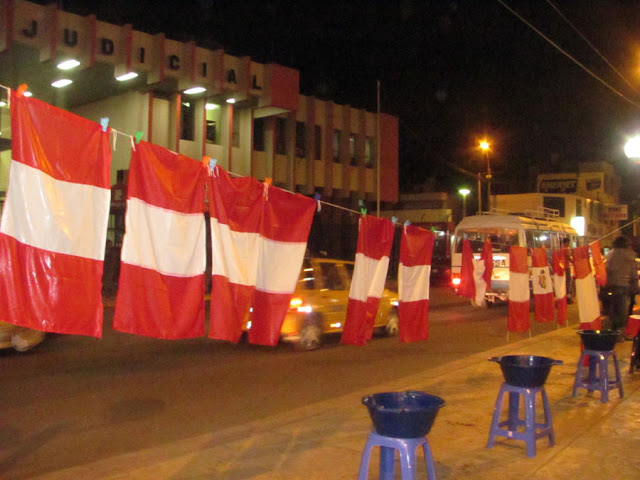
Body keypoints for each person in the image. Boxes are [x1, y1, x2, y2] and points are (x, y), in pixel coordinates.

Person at [605, 236, 638, 340]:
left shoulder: (610, 253)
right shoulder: (629, 254)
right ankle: (620, 334)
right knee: (623, 311)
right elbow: (633, 273)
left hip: (611, 286)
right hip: (624, 286)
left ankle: (613, 334)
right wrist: (635, 286)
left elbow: (607, 269)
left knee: (613, 311)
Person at [561, 237, 574, 304]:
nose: (569, 244)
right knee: (568, 283)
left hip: (563, 268)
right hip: (566, 267)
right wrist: (573, 262)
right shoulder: (566, 249)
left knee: (564, 283)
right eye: (568, 242)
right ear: (566, 242)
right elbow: (568, 257)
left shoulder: (561, 249)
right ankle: (568, 298)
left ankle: (564, 297)